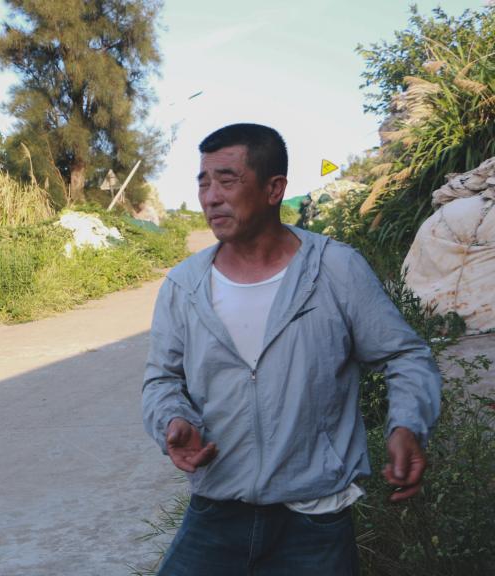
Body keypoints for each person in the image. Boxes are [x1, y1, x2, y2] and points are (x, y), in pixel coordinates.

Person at [142, 123, 441, 575]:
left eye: (227, 180)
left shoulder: (334, 270)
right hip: (216, 512)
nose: (211, 197)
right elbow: (161, 379)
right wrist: (173, 419)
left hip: (315, 520)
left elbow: (405, 356)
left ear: (274, 189)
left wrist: (407, 425)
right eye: (203, 182)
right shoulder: (185, 285)